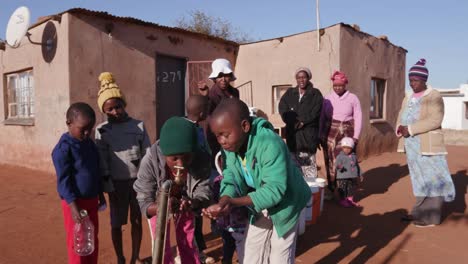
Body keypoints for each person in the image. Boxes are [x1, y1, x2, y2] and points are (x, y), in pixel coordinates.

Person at [203, 99, 311, 264]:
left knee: (279, 255)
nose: (221, 141)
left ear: (244, 126)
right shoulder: (231, 147)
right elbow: (230, 175)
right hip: (260, 200)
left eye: (225, 135)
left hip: (287, 201)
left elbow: (274, 191)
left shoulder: (269, 143)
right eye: (217, 136)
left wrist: (233, 202)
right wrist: (225, 198)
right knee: (252, 252)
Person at [133, 117, 212, 264]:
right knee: (160, 244)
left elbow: (204, 191)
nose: (180, 164)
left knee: (188, 240)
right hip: (158, 204)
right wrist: (162, 208)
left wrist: (193, 203)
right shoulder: (150, 161)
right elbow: (144, 201)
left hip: (185, 203)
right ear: (163, 153)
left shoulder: (201, 159)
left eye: (186, 157)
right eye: (174, 158)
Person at [95, 72, 150, 264]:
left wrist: (146, 182)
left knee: (137, 220)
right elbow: (102, 161)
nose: (115, 112)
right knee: (116, 223)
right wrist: (108, 185)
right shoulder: (102, 131)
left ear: (123, 104)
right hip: (116, 186)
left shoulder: (139, 126)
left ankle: (136, 256)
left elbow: (147, 155)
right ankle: (120, 257)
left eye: (117, 107)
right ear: (104, 110)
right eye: (109, 109)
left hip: (137, 184)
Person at [396, 59, 455, 227]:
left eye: (416, 81)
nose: (412, 84)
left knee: (433, 180)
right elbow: (402, 114)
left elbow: (436, 119)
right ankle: (419, 213)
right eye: (410, 80)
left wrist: (411, 129)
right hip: (412, 147)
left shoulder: (434, 95)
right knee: (419, 180)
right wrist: (399, 127)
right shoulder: (408, 96)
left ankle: (431, 218)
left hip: (428, 145)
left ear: (424, 80)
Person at [52, 102, 104, 264]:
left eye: (91, 128)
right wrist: (73, 206)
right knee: (77, 242)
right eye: (83, 129)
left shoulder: (89, 144)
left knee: (91, 238)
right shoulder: (63, 149)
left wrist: (100, 194)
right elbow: (63, 181)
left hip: (91, 201)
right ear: (69, 123)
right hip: (75, 204)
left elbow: (95, 171)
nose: (87, 133)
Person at [319, 70, 362, 197]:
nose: (338, 87)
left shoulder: (353, 98)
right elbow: (322, 117)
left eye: (340, 85)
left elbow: (358, 117)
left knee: (346, 160)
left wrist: (356, 137)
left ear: (345, 85)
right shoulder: (327, 97)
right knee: (331, 160)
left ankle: (347, 190)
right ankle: (332, 187)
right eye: (335, 85)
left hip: (347, 133)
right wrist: (320, 134)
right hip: (330, 131)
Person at [184, 95, 215, 264]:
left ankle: (198, 251)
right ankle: (193, 254)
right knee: (191, 218)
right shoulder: (188, 130)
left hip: (199, 181)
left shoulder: (196, 127)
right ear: (202, 112)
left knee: (197, 217)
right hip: (191, 182)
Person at [279, 67, 323, 178]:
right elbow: (283, 107)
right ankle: (298, 193)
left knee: (308, 169)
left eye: (304, 77)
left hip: (307, 137)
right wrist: (290, 120)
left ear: (308, 78)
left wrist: (303, 121)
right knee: (294, 169)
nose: (301, 80)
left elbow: (316, 111)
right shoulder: (290, 93)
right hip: (293, 137)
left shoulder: (315, 94)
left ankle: (311, 193)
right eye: (299, 77)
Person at [197, 58, 240, 158]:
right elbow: (207, 112)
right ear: (215, 78)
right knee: (218, 162)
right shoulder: (211, 93)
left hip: (232, 133)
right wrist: (205, 97)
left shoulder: (235, 92)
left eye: (226, 75)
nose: (223, 79)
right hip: (216, 135)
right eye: (220, 76)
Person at [335, 137, 362, 207]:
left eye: (349, 148)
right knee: (343, 188)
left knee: (351, 188)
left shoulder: (354, 156)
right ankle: (343, 200)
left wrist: (360, 174)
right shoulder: (340, 157)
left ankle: (350, 200)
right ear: (342, 147)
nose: (346, 150)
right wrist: (340, 167)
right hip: (343, 176)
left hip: (352, 176)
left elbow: (357, 166)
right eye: (345, 148)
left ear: (352, 148)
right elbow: (337, 165)